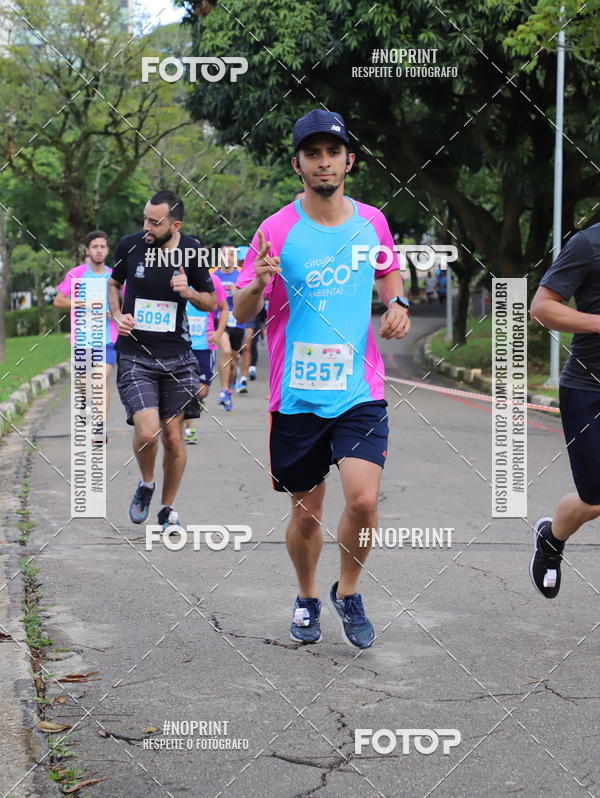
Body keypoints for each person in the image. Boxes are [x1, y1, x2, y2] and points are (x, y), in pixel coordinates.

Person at [234, 109, 411, 649]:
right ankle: (308, 595)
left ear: (348, 160)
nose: (324, 162)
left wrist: (397, 303)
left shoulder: (372, 221)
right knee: (307, 515)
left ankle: (348, 591)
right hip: (299, 396)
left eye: (332, 152)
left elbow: (387, 271)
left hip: (360, 392)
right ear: (298, 164)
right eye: (313, 154)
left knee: (362, 500)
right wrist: (259, 282)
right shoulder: (275, 230)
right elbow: (242, 313)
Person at [108, 190, 216, 530]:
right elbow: (114, 284)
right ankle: (146, 483)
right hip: (136, 355)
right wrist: (116, 313)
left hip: (178, 357)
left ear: (175, 224)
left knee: (173, 438)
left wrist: (188, 292)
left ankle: (167, 509)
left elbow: (211, 302)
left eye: (155, 222)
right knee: (148, 432)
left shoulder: (192, 252)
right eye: (144, 219)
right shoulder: (130, 245)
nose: (146, 227)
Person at [529, 222, 600, 598]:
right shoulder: (589, 243)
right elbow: (541, 309)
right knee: (595, 499)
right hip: (588, 389)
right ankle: (551, 539)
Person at [54, 230, 117, 419]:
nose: (99, 250)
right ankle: (88, 404)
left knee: (100, 381)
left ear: (107, 250)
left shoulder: (113, 276)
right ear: (88, 250)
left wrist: (114, 313)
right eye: (95, 247)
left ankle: (99, 429)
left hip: (107, 339)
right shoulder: (76, 274)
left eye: (102, 247)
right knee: (85, 385)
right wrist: (86, 304)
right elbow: (59, 301)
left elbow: (123, 305)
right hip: (82, 340)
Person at [184, 265, 228, 444]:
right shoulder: (176, 279)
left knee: (202, 390)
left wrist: (218, 333)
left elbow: (223, 308)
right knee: (186, 388)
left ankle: (196, 402)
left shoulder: (213, 280)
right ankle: (190, 429)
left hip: (204, 344)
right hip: (181, 344)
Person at [213, 243, 248, 408]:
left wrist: (238, 294)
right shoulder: (213, 275)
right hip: (220, 319)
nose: (228, 258)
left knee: (233, 362)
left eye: (232, 255)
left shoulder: (242, 275)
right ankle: (224, 390)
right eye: (225, 254)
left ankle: (229, 387)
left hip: (238, 321)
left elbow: (250, 298)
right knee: (225, 351)